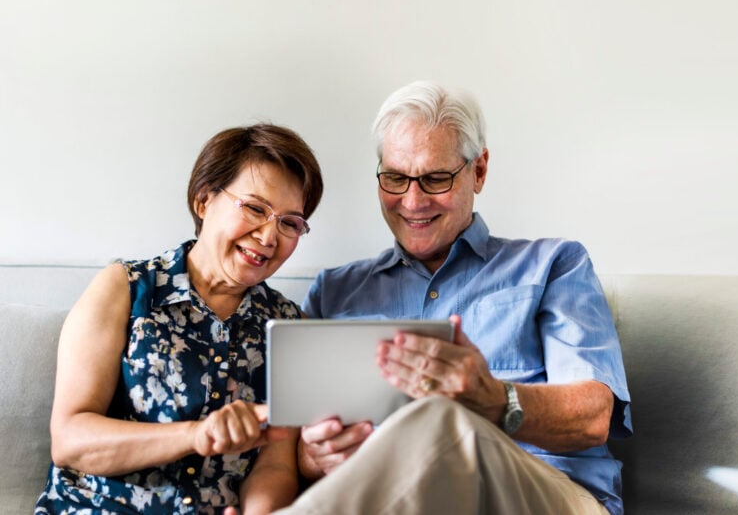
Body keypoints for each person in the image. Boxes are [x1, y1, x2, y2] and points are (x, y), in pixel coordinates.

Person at [280, 81, 632, 515]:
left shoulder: (554, 266)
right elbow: (289, 450)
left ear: (479, 171)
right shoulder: (334, 292)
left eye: (435, 178)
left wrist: (496, 401)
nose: (412, 201)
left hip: (549, 497)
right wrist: (314, 459)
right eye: (394, 178)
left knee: (440, 418)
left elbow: (593, 417)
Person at [35, 124, 324, 514]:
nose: (269, 236)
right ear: (204, 201)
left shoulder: (288, 324)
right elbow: (70, 440)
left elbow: (275, 465)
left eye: (289, 222)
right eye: (256, 208)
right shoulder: (125, 288)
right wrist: (196, 435)